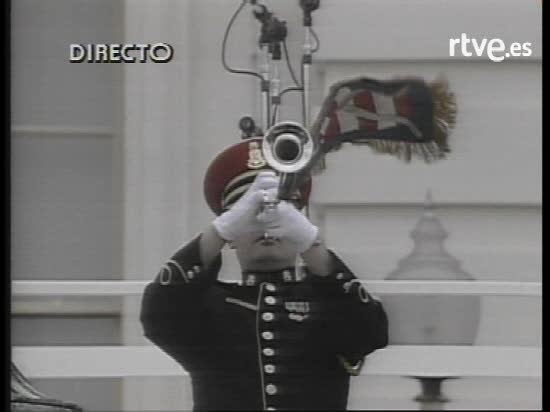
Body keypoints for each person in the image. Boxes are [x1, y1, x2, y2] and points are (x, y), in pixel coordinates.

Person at [140, 138, 389, 411]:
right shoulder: (209, 306)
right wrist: (220, 230)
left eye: (280, 215)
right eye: (251, 216)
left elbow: (371, 332)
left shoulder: (328, 301)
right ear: (232, 235)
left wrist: (311, 242)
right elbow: (157, 315)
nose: (265, 225)